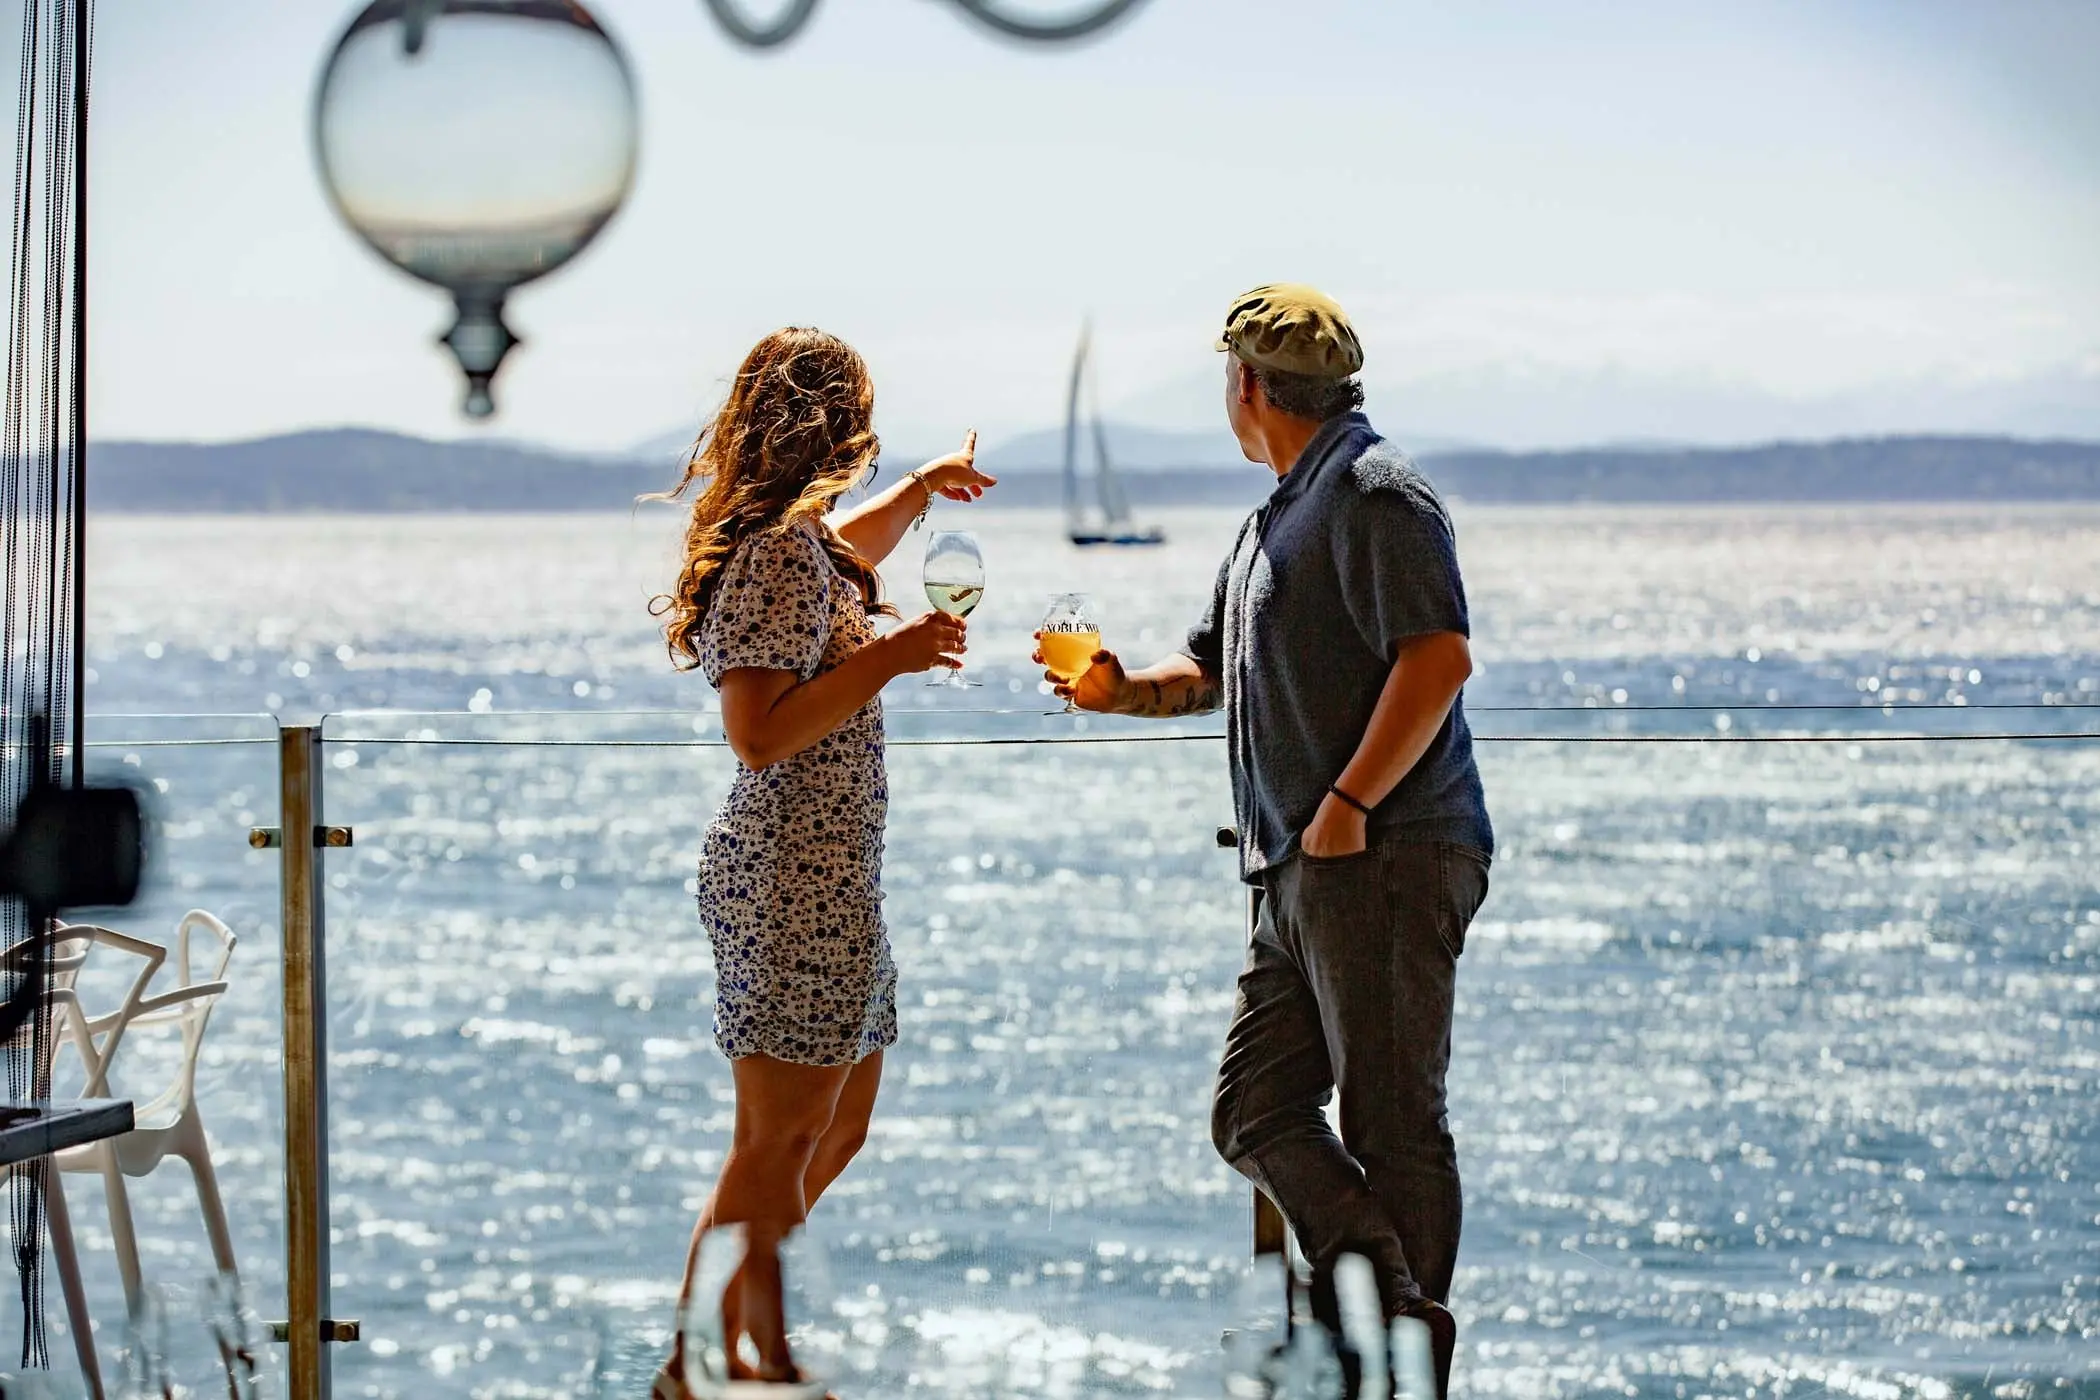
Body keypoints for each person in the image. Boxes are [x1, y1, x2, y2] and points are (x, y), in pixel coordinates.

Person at [1042, 284, 1493, 1397]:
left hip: (1378, 853)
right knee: (1252, 1108)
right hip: (1294, 869)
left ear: (1246, 385)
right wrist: (1114, 690)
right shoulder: (1273, 517)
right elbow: (1205, 670)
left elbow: (1437, 660)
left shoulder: (1376, 491)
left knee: (1395, 1123)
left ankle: (1395, 1353)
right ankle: (1385, 1310)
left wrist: (1346, 805)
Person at [648, 326, 995, 1393]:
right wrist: (890, 656)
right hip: (794, 877)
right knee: (780, 1139)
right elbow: (756, 731)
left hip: (833, 877)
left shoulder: (801, 545)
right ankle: (711, 1363)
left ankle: (753, 1350)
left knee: (829, 1130)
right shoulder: (772, 556)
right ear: (835, 428)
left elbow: (850, 549)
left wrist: (925, 492)